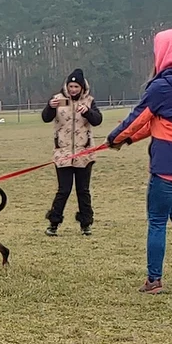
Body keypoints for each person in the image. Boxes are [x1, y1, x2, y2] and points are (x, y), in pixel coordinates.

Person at [106, 27, 172, 294]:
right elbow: (159, 123)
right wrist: (128, 140)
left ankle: (154, 280)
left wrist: (115, 138)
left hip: (168, 166)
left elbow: (138, 118)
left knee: (157, 220)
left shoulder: (162, 86)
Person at [41, 68, 103, 236]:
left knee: (83, 191)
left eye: (76, 86)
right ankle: (53, 224)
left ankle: (85, 224)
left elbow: (97, 120)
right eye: (70, 86)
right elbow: (46, 117)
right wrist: (49, 107)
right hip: (63, 153)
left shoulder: (89, 101)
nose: (73, 89)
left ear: (82, 88)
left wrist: (88, 112)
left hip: (84, 153)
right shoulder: (58, 100)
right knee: (64, 190)